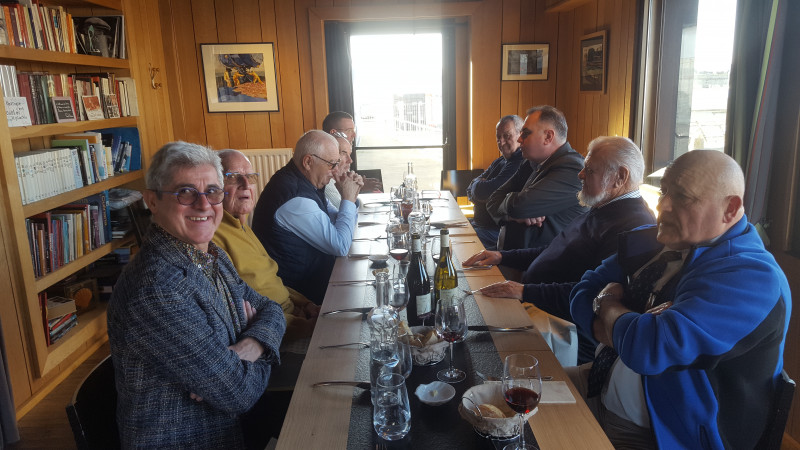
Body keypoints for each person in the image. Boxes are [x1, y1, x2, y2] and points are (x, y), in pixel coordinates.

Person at [569, 150, 791, 449]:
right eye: (664, 192)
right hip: (599, 386)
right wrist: (623, 332)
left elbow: (649, 348)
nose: (663, 206)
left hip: (664, 433)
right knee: (502, 399)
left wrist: (608, 303)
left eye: (683, 197)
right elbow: (582, 291)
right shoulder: (653, 241)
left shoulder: (752, 277)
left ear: (730, 208)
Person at [108, 141, 286, 449]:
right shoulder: (157, 290)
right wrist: (262, 349)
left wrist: (253, 343)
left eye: (213, 191)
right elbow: (238, 393)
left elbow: (271, 309)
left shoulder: (209, 254)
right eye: (185, 192)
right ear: (152, 201)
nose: (204, 205)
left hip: (236, 428)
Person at [463, 136, 656, 363]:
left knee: (474, 349)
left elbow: (596, 294)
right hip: (535, 303)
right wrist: (502, 256)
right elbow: (555, 250)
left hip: (562, 331)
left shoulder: (633, 226)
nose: (580, 175)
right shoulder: (603, 206)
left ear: (620, 177)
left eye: (589, 170)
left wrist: (524, 291)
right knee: (468, 313)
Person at [213, 149, 320, 341]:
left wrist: (306, 304)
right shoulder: (213, 238)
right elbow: (245, 310)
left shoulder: (241, 225)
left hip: (296, 316)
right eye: (234, 177)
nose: (246, 184)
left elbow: (272, 279)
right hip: (280, 335)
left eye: (250, 177)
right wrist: (306, 327)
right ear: (214, 187)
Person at [251, 130, 363, 304]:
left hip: (317, 280)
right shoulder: (295, 197)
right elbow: (341, 244)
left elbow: (336, 220)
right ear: (308, 161)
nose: (335, 172)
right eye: (332, 164)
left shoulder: (306, 182)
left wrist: (350, 197)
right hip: (302, 296)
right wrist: (347, 200)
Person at [486, 105, 586, 251]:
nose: (519, 139)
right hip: (510, 256)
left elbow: (520, 206)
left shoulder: (573, 169)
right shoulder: (531, 162)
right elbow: (492, 200)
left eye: (525, 134)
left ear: (548, 137)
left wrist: (511, 203)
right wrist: (511, 216)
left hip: (543, 264)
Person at [466, 115, 525, 249]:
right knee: (444, 232)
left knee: (453, 244)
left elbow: (487, 193)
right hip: (478, 224)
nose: (501, 142)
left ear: (520, 135)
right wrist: (478, 187)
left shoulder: (519, 162)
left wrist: (479, 187)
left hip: (495, 231)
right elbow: (470, 189)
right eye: (498, 137)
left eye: (507, 136)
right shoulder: (500, 160)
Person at [322, 111, 382, 192]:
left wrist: (358, 185)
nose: (354, 135)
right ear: (333, 132)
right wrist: (359, 188)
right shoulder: (325, 170)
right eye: (349, 130)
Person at [324, 136, 360, 210]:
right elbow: (343, 214)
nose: (350, 160)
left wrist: (355, 190)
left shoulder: (337, 180)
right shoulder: (326, 182)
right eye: (343, 153)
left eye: (349, 154)